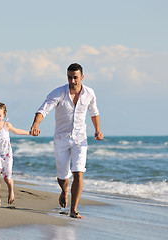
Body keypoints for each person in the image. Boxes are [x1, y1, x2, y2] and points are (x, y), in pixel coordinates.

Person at [30, 63, 103, 219]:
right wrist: (36, 124)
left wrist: (97, 130)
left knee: (78, 172)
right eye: (69, 77)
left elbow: (94, 113)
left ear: (82, 77)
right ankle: (64, 190)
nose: (72, 81)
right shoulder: (58, 93)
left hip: (80, 139)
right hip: (61, 139)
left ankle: (74, 209)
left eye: (75, 77)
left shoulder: (89, 93)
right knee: (63, 176)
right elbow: (43, 110)